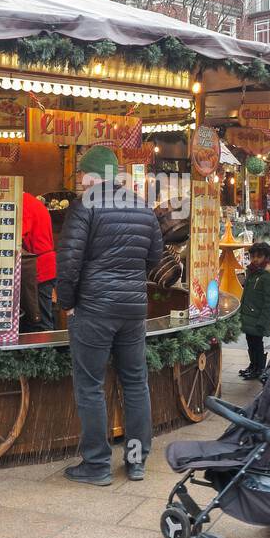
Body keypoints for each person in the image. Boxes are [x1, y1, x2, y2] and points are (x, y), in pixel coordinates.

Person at [55, 146, 164, 485]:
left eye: (80, 177)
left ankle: (97, 464)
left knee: (90, 386)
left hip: (94, 308)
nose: (79, 183)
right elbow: (154, 256)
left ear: (90, 176)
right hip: (132, 310)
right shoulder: (142, 207)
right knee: (135, 383)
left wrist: (68, 303)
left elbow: (69, 263)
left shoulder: (84, 206)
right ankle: (135, 461)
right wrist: (128, 281)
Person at [238, 241, 270, 380]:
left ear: (267, 257)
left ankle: (259, 368)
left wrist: (264, 320)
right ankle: (253, 365)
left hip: (258, 317)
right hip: (249, 315)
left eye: (259, 256)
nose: (255, 259)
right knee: (251, 341)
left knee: (257, 343)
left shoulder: (268, 275)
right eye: (253, 256)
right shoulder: (253, 272)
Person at [21, 191, 57, 332]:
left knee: (38, 319)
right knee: (41, 315)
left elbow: (17, 235)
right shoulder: (31, 201)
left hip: (38, 269)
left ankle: (46, 353)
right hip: (43, 266)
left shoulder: (23, 203)